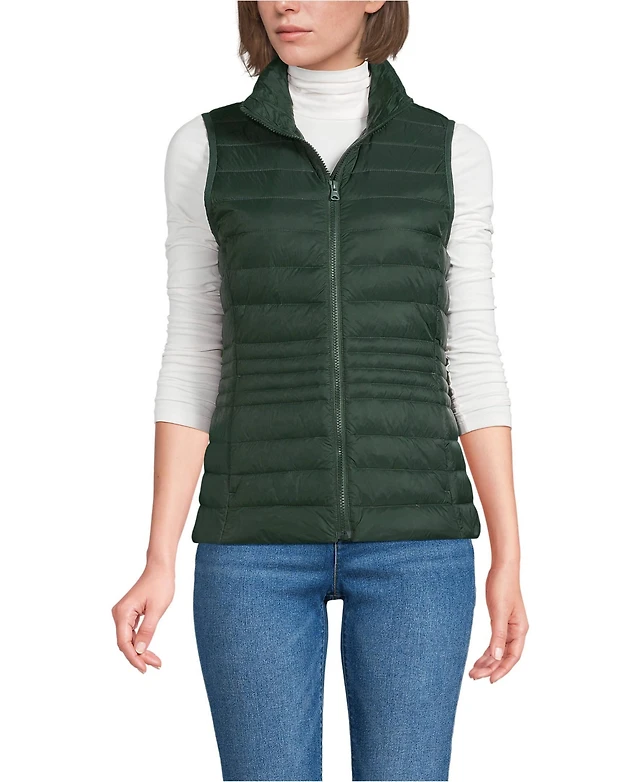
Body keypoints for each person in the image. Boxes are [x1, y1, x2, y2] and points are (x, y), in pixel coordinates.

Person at [112, 2, 529, 780]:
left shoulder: (448, 150)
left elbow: (471, 355)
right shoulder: (207, 147)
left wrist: (508, 554)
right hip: (252, 546)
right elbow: (196, 352)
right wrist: (158, 556)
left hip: (416, 542)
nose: (284, 4)